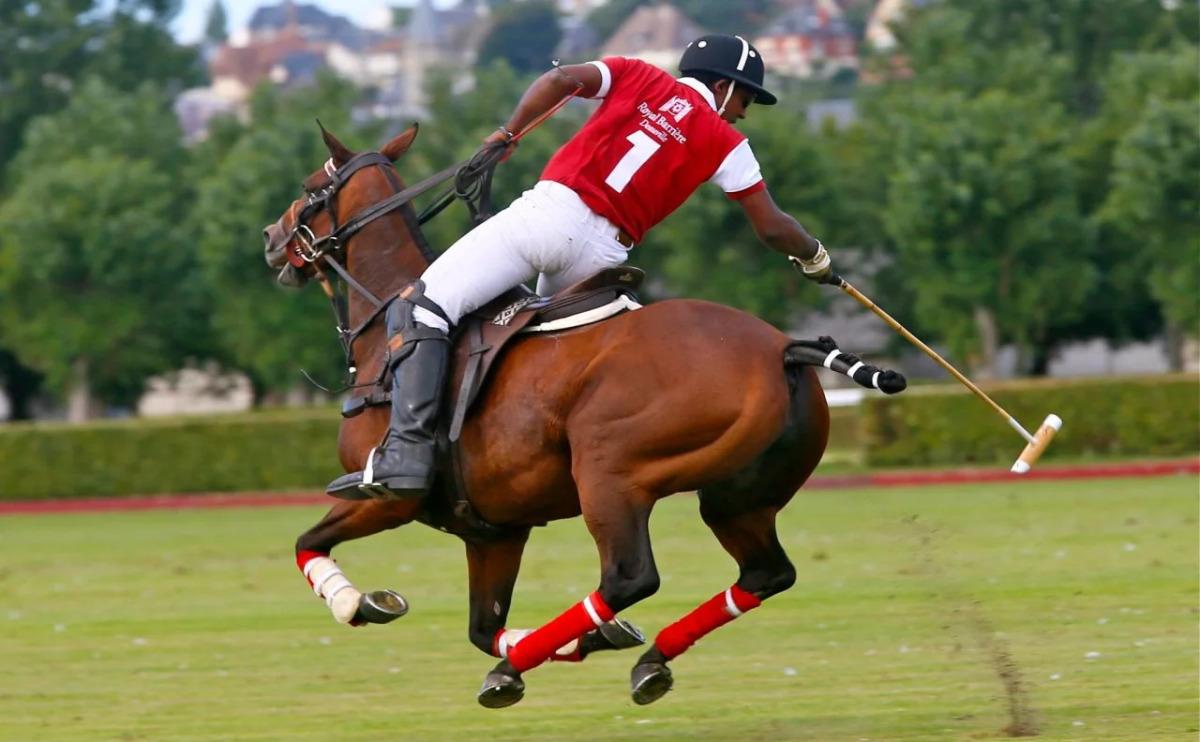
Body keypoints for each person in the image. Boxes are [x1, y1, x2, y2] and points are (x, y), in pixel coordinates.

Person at [327, 34, 836, 500]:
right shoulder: (730, 145)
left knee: (419, 307)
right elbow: (772, 226)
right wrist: (815, 256)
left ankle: (407, 456)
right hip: (604, 255)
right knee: (560, 364)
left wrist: (507, 133)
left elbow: (559, 79)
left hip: (548, 218)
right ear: (723, 87)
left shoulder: (637, 73)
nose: (742, 115)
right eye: (745, 99)